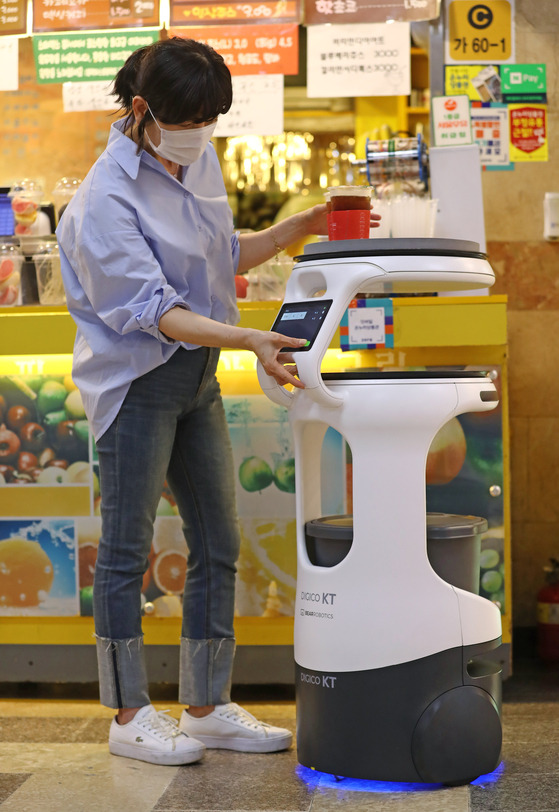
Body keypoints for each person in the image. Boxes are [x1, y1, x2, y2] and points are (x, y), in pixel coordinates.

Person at [56, 36, 380, 767]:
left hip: (197, 378)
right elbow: (157, 310)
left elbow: (218, 256)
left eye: (211, 117)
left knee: (218, 545)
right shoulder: (101, 201)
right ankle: (129, 710)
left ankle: (205, 706)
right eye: (189, 117)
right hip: (135, 384)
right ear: (141, 110)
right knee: (125, 553)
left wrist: (295, 230)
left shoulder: (196, 163)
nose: (201, 130)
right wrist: (248, 337)